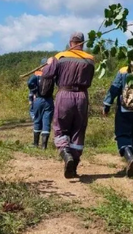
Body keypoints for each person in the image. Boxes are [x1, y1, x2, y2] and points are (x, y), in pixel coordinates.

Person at [41, 32, 95, 178]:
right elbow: (90, 78)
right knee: (78, 129)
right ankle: (74, 166)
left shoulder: (60, 57)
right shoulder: (90, 60)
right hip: (82, 97)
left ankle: (65, 154)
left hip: (64, 95)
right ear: (83, 43)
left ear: (71, 42)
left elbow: (46, 75)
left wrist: (50, 63)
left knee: (60, 128)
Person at [27, 58, 55, 149]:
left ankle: (35, 144)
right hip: (49, 101)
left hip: (39, 100)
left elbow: (30, 82)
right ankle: (44, 146)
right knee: (46, 122)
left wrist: (34, 91)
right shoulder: (53, 75)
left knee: (37, 120)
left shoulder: (37, 74)